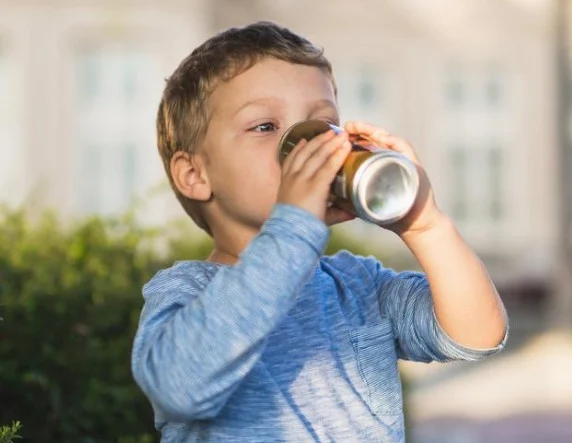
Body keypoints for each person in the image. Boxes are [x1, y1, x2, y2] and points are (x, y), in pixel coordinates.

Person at [130, 20, 508, 442]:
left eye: (322, 127)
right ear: (195, 174)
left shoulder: (359, 286)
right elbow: (180, 388)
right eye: (266, 127)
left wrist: (425, 224)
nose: (306, 147)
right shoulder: (185, 292)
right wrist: (293, 227)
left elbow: (476, 336)